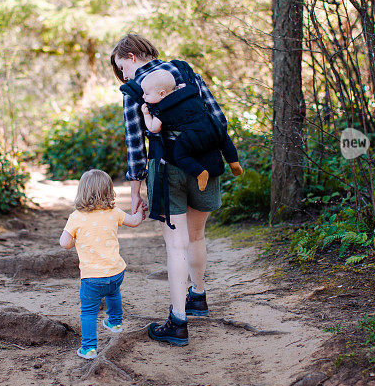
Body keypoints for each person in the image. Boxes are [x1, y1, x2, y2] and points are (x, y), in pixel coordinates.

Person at [110, 33, 230, 346]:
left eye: (122, 67)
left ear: (133, 57)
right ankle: (199, 297)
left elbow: (136, 144)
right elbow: (218, 119)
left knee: (176, 245)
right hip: (207, 164)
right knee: (197, 236)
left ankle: (178, 322)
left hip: (167, 170)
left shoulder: (135, 89)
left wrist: (135, 190)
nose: (124, 75)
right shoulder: (186, 70)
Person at [59, 169, 143, 359]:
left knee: (88, 312)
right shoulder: (114, 212)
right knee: (113, 293)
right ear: (109, 192)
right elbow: (135, 221)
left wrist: (74, 240)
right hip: (116, 273)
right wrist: (139, 210)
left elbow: (64, 243)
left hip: (91, 278)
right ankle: (115, 322)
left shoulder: (76, 217)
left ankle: (88, 348)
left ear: (82, 192)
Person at [139, 68, 243, 191]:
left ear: (162, 94)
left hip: (193, 137)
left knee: (180, 156)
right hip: (212, 126)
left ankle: (200, 172)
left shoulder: (163, 109)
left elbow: (153, 129)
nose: (143, 96)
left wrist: (146, 114)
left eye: (146, 94)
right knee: (224, 140)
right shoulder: (188, 92)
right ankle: (234, 162)